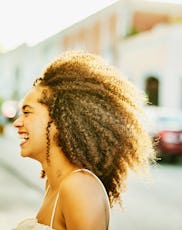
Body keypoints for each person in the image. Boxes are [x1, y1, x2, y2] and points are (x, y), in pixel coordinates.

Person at [13, 51, 156, 230]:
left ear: (60, 118)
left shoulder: (79, 186)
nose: (17, 122)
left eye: (27, 112)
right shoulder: (55, 185)